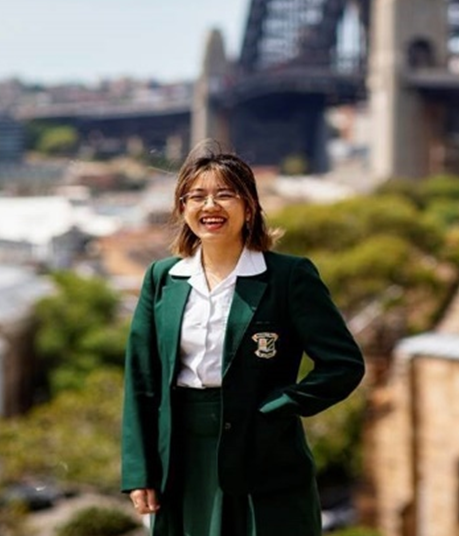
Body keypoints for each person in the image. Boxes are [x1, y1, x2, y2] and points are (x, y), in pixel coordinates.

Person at [121, 142, 365, 536]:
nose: (210, 206)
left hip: (265, 453)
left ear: (249, 207)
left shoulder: (289, 276)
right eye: (196, 196)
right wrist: (139, 470)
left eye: (225, 195)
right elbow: (141, 381)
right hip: (181, 456)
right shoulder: (162, 278)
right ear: (182, 209)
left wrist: (281, 406)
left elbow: (344, 365)